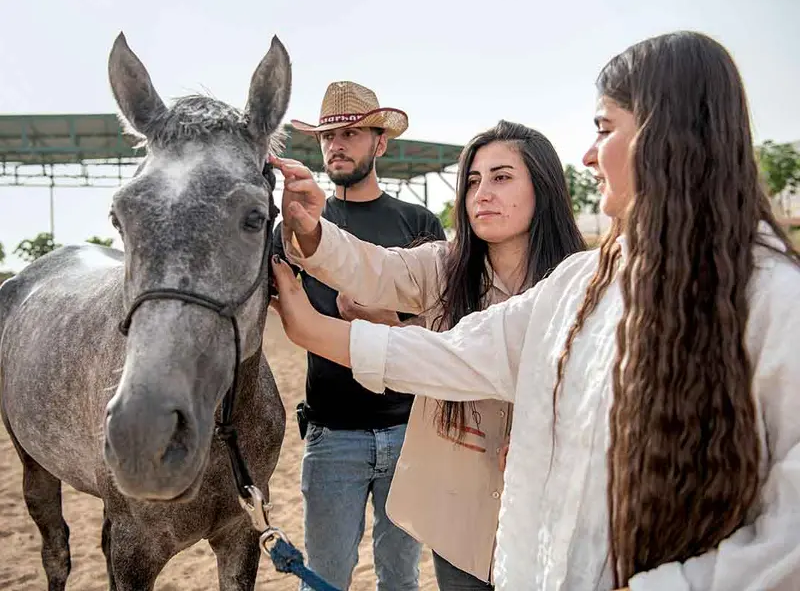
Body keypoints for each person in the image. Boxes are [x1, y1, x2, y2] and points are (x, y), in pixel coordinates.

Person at [270, 31, 800, 591]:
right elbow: (416, 313)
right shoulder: (571, 283)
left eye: (604, 129)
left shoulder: (759, 304)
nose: (589, 155)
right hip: (463, 521)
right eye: (473, 181)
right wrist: (313, 250)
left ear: (669, 134)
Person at [271, 119, 585, 590]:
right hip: (458, 519)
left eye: (501, 178)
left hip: (551, 516)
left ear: (543, 188)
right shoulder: (442, 267)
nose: (481, 193)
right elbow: (372, 268)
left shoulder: (580, 285)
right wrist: (313, 231)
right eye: (473, 181)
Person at [271, 80, 446, 591]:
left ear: (380, 143)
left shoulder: (418, 222)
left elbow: (444, 324)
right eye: (328, 137)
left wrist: (381, 318)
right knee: (324, 580)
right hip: (332, 436)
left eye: (350, 133)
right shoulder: (299, 220)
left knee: (401, 579)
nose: (336, 146)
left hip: (410, 431)